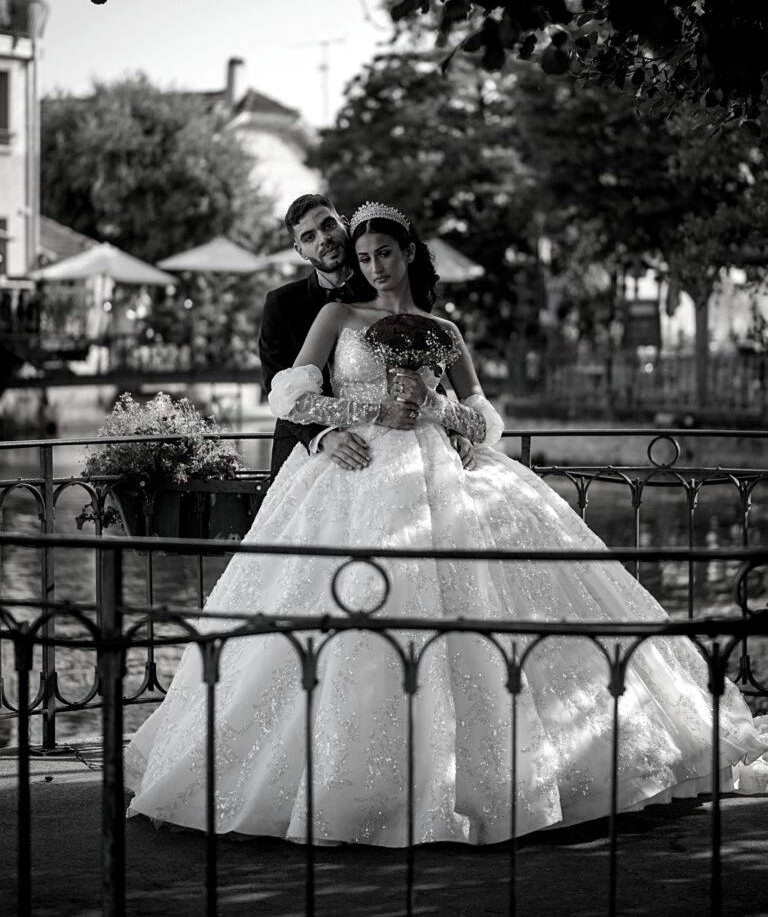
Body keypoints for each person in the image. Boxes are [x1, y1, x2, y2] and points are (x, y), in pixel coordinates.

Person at [125, 202, 768, 846]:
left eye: (385, 255)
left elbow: (487, 417)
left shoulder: (444, 329)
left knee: (481, 605)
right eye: (365, 257)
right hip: (353, 467)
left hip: (442, 471)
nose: (375, 267)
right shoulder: (335, 315)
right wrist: (367, 407)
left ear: (408, 255)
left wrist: (441, 409)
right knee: (350, 610)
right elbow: (292, 396)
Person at [258, 193, 474, 478]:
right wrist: (325, 436)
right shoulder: (282, 304)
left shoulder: (387, 288)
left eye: (328, 225)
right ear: (300, 250)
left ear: (344, 224)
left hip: (403, 447)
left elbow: (422, 370)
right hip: (312, 448)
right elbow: (279, 386)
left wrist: (455, 425)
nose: (323, 239)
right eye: (309, 237)